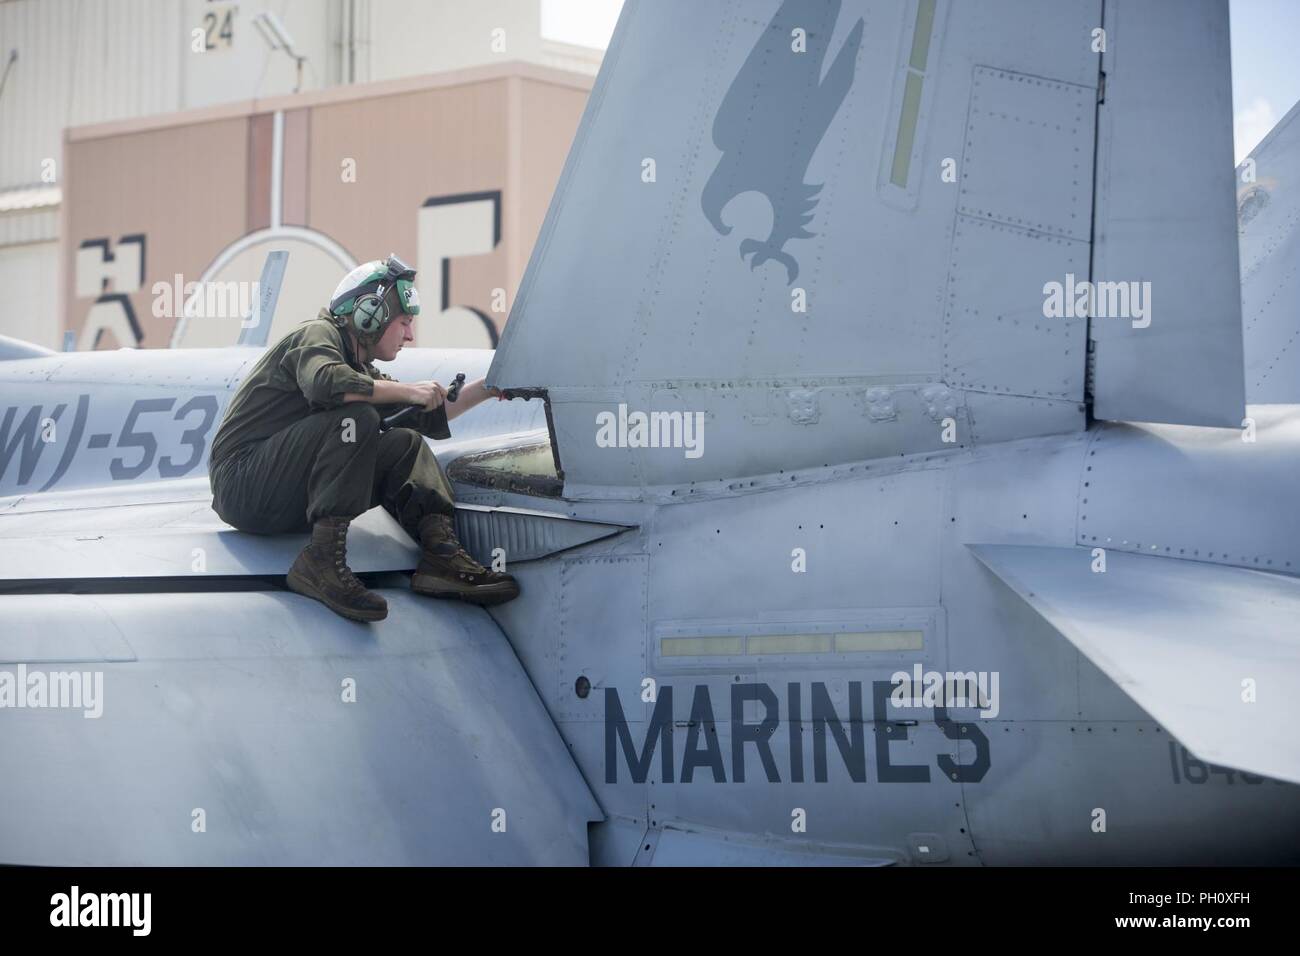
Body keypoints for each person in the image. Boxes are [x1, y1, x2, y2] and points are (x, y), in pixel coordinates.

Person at [208, 253, 519, 622]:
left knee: (404, 441)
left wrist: (490, 387)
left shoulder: (360, 373)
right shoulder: (315, 335)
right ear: (370, 314)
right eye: (404, 322)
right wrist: (407, 391)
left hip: (286, 494)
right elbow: (325, 383)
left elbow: (425, 412)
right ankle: (320, 562)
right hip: (244, 485)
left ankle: (440, 557)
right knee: (356, 419)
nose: (410, 335)